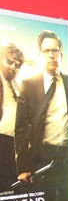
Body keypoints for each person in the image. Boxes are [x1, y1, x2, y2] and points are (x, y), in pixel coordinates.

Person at [15, 30, 68, 201]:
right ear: (40, 54)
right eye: (47, 51)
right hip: (42, 158)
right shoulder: (29, 85)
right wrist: (23, 167)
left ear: (61, 54)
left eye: (55, 50)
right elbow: (21, 129)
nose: (51, 55)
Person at [0, 43, 25, 192]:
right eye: (9, 61)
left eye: (18, 64)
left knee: (11, 185)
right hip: (2, 139)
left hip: (13, 143)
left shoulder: (15, 84)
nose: (13, 66)